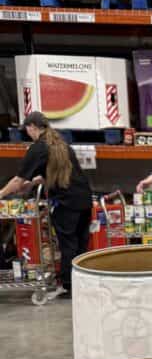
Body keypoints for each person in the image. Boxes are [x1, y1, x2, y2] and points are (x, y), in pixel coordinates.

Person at [0, 111, 91, 296]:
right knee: (80, 245)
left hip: (66, 203)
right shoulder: (61, 143)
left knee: (68, 245)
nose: (28, 134)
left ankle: (68, 287)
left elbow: (17, 180)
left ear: (33, 127)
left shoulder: (38, 148)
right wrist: (32, 183)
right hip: (84, 199)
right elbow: (51, 174)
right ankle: (82, 285)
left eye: (27, 131)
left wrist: (1, 193)